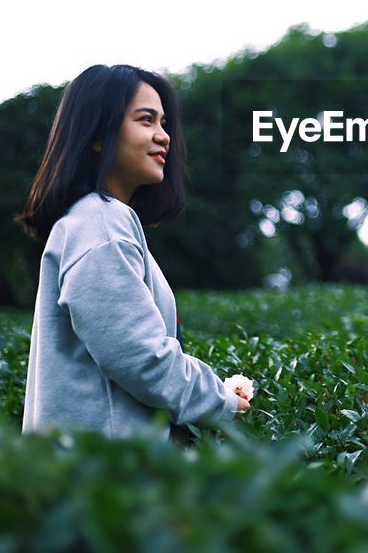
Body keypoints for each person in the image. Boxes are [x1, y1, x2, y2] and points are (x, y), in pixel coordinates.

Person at [15, 63, 251, 442]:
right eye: (146, 120)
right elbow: (140, 356)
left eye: (164, 123)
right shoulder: (102, 221)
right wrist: (219, 400)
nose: (164, 137)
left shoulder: (94, 219)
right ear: (96, 135)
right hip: (107, 480)